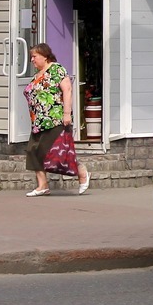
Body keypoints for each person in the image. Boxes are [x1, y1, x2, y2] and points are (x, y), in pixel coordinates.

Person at [24, 43, 90, 197]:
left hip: (55, 119)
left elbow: (67, 89)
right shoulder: (38, 75)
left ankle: (82, 172)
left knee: (57, 153)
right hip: (39, 121)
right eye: (31, 57)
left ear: (45, 56)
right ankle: (42, 186)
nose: (32, 60)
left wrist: (67, 113)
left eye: (34, 56)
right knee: (33, 151)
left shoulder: (56, 69)